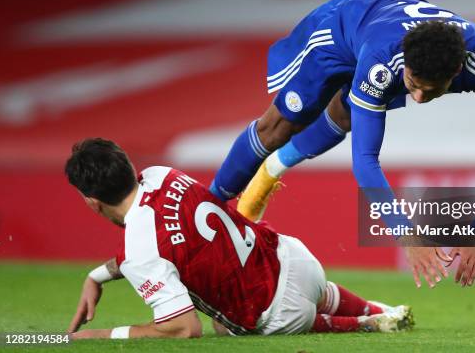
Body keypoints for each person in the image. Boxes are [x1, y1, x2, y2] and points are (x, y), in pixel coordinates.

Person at [208, 0, 475, 289]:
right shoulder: (382, 60)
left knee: (344, 118)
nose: (418, 100)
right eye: (413, 85)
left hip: (385, 22)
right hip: (344, 27)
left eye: (431, 91)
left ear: (456, 73)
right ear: (406, 65)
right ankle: (207, 206)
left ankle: (275, 166)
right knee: (279, 126)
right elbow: (366, 159)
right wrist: (406, 234)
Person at [64, 138, 413, 339]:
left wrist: (99, 335)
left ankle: (364, 323)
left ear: (92, 202)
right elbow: (164, 240)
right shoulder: (161, 174)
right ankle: (379, 310)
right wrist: (98, 275)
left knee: (223, 325)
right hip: (294, 258)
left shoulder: (141, 248)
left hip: (278, 313)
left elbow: (184, 328)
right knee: (316, 293)